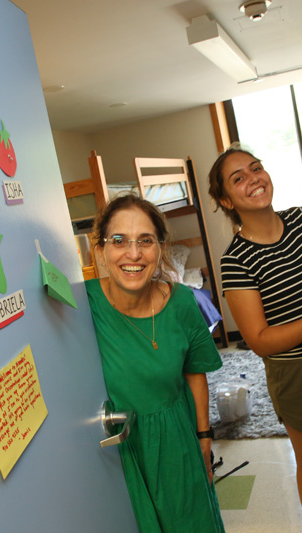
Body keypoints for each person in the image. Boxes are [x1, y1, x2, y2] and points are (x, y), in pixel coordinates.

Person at [208, 147, 302, 533]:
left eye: (256, 168)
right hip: (299, 374)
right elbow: (261, 341)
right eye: (238, 178)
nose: (253, 179)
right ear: (225, 200)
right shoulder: (237, 261)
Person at [85, 193, 225, 532]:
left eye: (145, 241)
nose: (133, 254)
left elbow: (195, 372)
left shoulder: (182, 303)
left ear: (160, 248)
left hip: (175, 443)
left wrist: (204, 439)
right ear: (100, 249)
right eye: (119, 240)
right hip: (114, 452)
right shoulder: (81, 304)